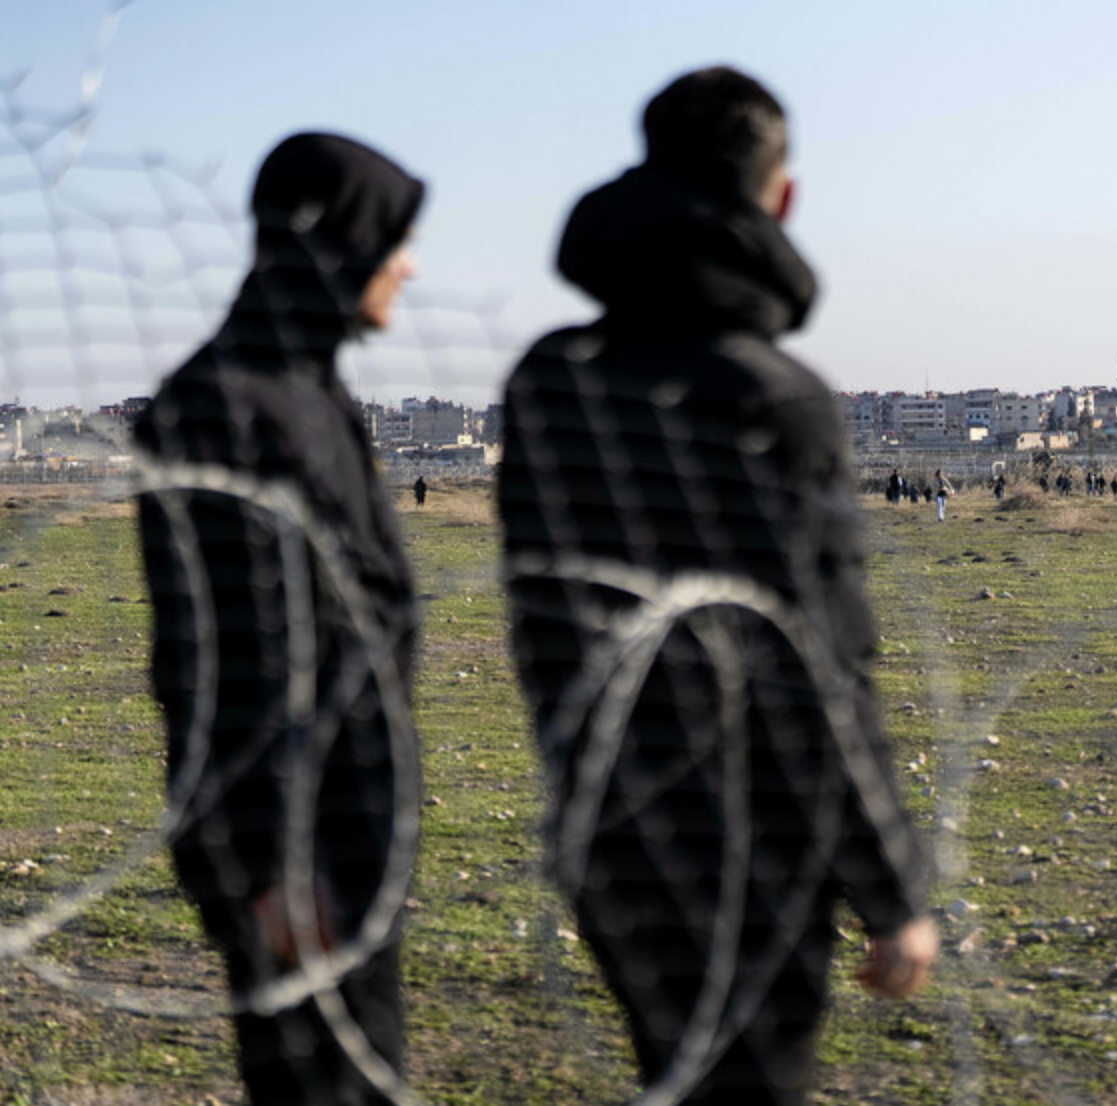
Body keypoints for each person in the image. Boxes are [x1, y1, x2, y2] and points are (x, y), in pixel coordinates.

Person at [495, 68, 934, 1105]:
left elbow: (541, 619)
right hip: (753, 842)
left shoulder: (548, 379)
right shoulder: (775, 400)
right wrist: (891, 887)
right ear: (777, 200)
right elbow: (822, 662)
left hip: (607, 823)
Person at [132, 132, 424, 1106]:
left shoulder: (317, 394)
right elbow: (219, 664)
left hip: (352, 835)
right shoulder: (217, 408)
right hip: (295, 857)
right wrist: (269, 863)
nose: (408, 264)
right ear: (337, 244)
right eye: (393, 239)